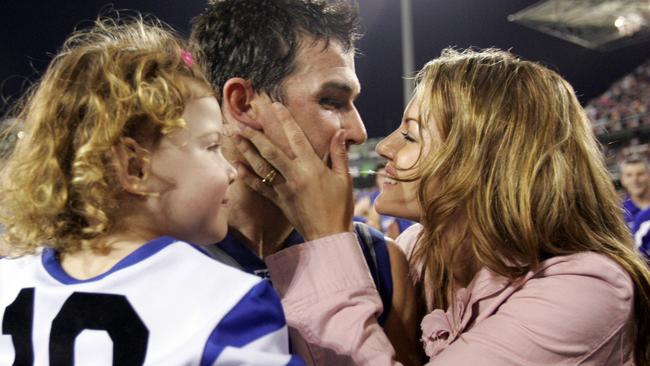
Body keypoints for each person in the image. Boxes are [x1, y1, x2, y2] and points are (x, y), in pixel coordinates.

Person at [234, 48, 650, 365]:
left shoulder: (587, 289)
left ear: (486, 161)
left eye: (411, 136)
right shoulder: (418, 248)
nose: (384, 147)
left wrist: (328, 237)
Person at [0, 17, 302, 365]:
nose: (230, 170)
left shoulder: (8, 281)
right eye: (210, 146)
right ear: (134, 167)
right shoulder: (227, 302)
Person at [189, 1, 420, 363]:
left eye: (353, 102)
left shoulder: (381, 262)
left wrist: (332, 246)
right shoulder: (154, 257)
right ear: (243, 103)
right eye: (331, 101)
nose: (359, 132)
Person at [354, 163, 414, 239]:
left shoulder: (400, 199)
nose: (385, 179)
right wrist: (366, 222)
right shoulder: (370, 199)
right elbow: (352, 217)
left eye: (387, 176)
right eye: (381, 177)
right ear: (376, 180)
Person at [620, 158, 650, 228]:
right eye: (629, 175)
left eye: (640, 174)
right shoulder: (619, 213)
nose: (635, 179)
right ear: (622, 180)